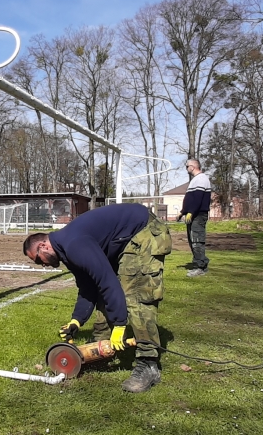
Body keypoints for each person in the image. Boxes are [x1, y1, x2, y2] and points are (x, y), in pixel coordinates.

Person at [22, 203, 172, 392]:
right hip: (125, 237)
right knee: (105, 293)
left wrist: (119, 323)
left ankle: (148, 364)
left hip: (143, 231)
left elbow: (106, 280)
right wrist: (77, 320)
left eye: (37, 259)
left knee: (135, 294)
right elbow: (88, 287)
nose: (40, 265)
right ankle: (100, 349)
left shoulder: (73, 244)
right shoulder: (65, 249)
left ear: (44, 246)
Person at [176, 158, 212, 277]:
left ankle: (200, 267)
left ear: (193, 166)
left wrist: (191, 212)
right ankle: (199, 264)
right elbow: (190, 199)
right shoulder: (195, 180)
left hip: (198, 215)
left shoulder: (201, 179)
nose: (186, 169)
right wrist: (183, 212)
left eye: (187, 166)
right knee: (192, 240)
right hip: (192, 214)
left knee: (197, 241)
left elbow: (198, 198)